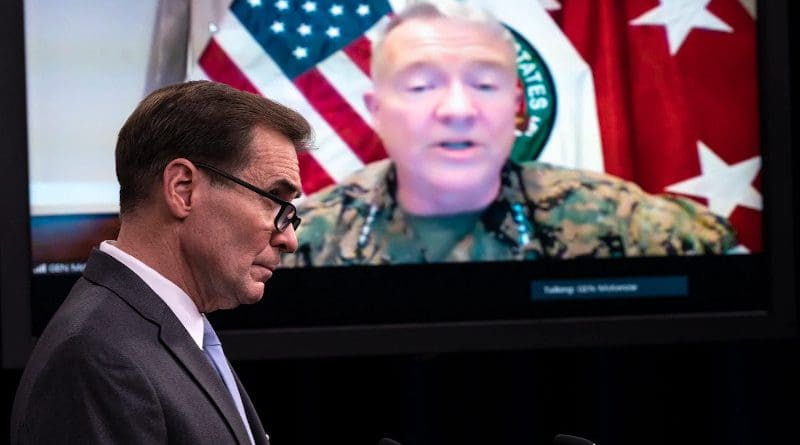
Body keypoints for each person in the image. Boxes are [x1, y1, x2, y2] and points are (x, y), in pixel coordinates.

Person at [287, 0, 736, 266]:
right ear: (378, 112)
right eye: (422, 86)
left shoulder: (612, 219)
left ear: (517, 108)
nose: (458, 109)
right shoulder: (306, 243)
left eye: (485, 84)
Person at [10, 80, 311, 444]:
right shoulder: (95, 357)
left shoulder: (167, 329)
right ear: (182, 189)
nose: (289, 239)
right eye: (274, 200)